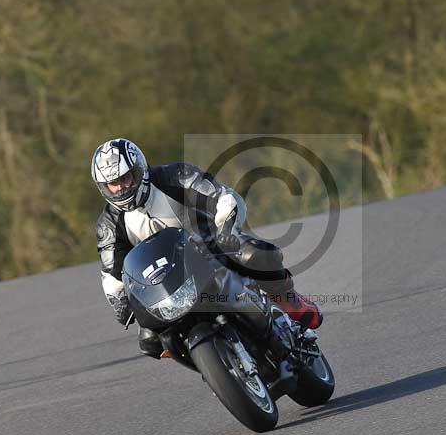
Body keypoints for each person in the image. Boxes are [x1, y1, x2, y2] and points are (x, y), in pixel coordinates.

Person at [92, 138, 323, 358]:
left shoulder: (174, 177)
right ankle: (211, 363)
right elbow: (111, 272)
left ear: (140, 170)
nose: (121, 189)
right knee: (149, 340)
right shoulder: (109, 225)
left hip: (213, 251)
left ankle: (288, 301)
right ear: (104, 188)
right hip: (168, 282)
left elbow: (223, 197)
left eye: (126, 178)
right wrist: (120, 301)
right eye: (113, 184)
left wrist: (226, 229)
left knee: (255, 255)